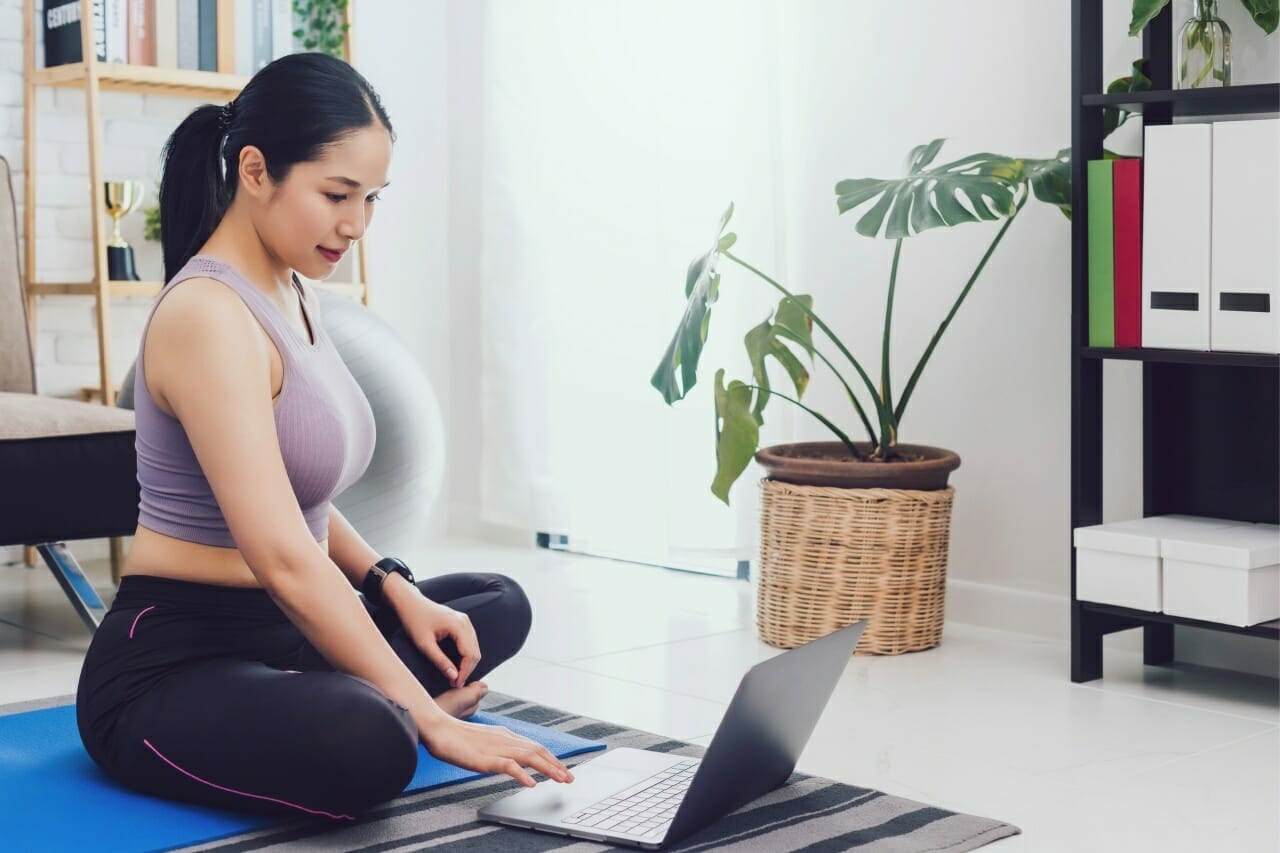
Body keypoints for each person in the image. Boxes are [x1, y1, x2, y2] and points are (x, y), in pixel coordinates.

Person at [75, 52, 572, 822]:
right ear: (255, 170)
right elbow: (281, 557)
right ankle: (380, 708)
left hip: (287, 636)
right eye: (337, 194)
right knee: (373, 742)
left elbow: (296, 489)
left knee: (490, 606)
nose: (356, 224)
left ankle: (359, 695)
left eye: (371, 198)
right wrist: (433, 720)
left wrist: (391, 584)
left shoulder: (292, 288)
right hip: (171, 662)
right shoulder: (207, 316)